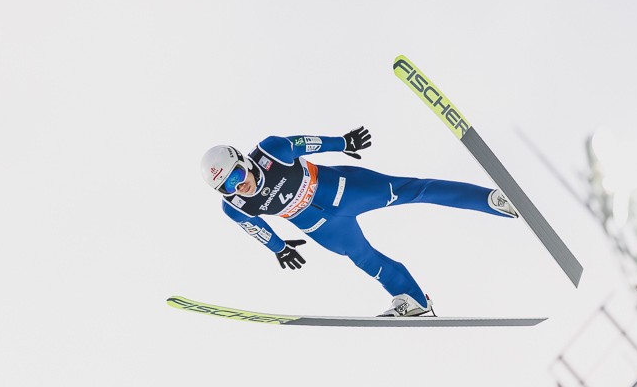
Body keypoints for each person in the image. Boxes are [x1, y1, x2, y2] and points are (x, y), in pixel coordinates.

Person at [200, 126, 519, 317]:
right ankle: (414, 300)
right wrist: (279, 248)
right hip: (321, 226)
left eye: (237, 175)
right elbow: (254, 228)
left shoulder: (272, 151)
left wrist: (344, 142)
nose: (239, 186)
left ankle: (493, 200)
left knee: (417, 190)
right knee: (364, 258)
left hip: (346, 189)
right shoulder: (235, 206)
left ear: (243, 160)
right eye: (227, 186)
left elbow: (308, 143)